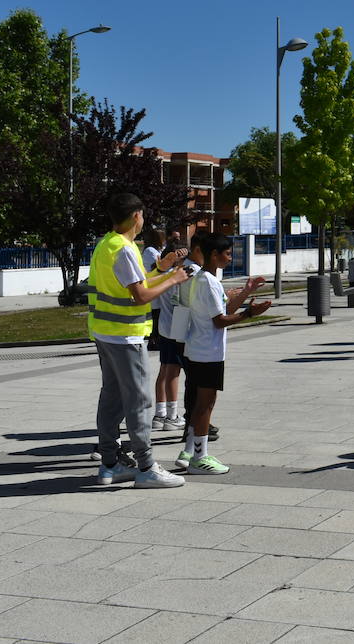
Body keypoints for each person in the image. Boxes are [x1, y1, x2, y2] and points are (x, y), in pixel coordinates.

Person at [87, 193, 192, 489]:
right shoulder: (124, 249)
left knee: (112, 396)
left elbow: (137, 283)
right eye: (143, 215)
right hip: (124, 336)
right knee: (137, 400)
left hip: (106, 332)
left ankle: (110, 464)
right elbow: (140, 295)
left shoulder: (108, 244)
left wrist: (162, 270)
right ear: (136, 216)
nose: (144, 220)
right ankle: (146, 467)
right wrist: (172, 280)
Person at [175, 234, 270, 475]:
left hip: (198, 349)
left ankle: (189, 451)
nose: (230, 258)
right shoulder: (208, 282)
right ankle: (200, 457)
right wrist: (250, 314)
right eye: (227, 254)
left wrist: (246, 291)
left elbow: (225, 309)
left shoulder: (201, 278)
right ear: (214, 255)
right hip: (208, 352)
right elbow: (220, 321)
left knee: (200, 404)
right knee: (205, 405)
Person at [153, 232, 203, 433]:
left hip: (165, 326)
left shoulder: (162, 278)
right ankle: (172, 416)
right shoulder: (183, 275)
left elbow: (155, 304)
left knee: (165, 369)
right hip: (179, 327)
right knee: (174, 370)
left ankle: (160, 413)